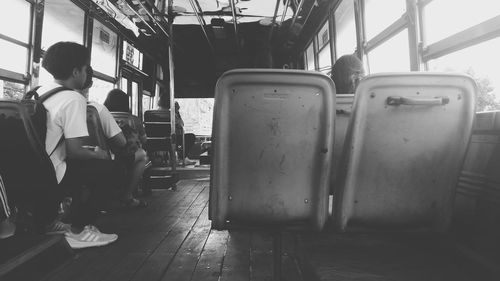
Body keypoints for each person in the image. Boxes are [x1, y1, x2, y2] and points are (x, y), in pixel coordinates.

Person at [39, 41, 123, 248]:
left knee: (89, 167)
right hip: (53, 172)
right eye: (86, 70)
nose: (86, 75)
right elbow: (75, 152)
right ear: (76, 72)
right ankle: (78, 229)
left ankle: (55, 220)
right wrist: (100, 155)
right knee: (110, 169)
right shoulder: (73, 99)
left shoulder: (39, 92)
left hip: (35, 168)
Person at [82, 85, 147, 206]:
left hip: (92, 153)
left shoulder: (95, 114)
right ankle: (127, 196)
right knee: (142, 155)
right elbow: (142, 140)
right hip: (115, 157)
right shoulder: (133, 119)